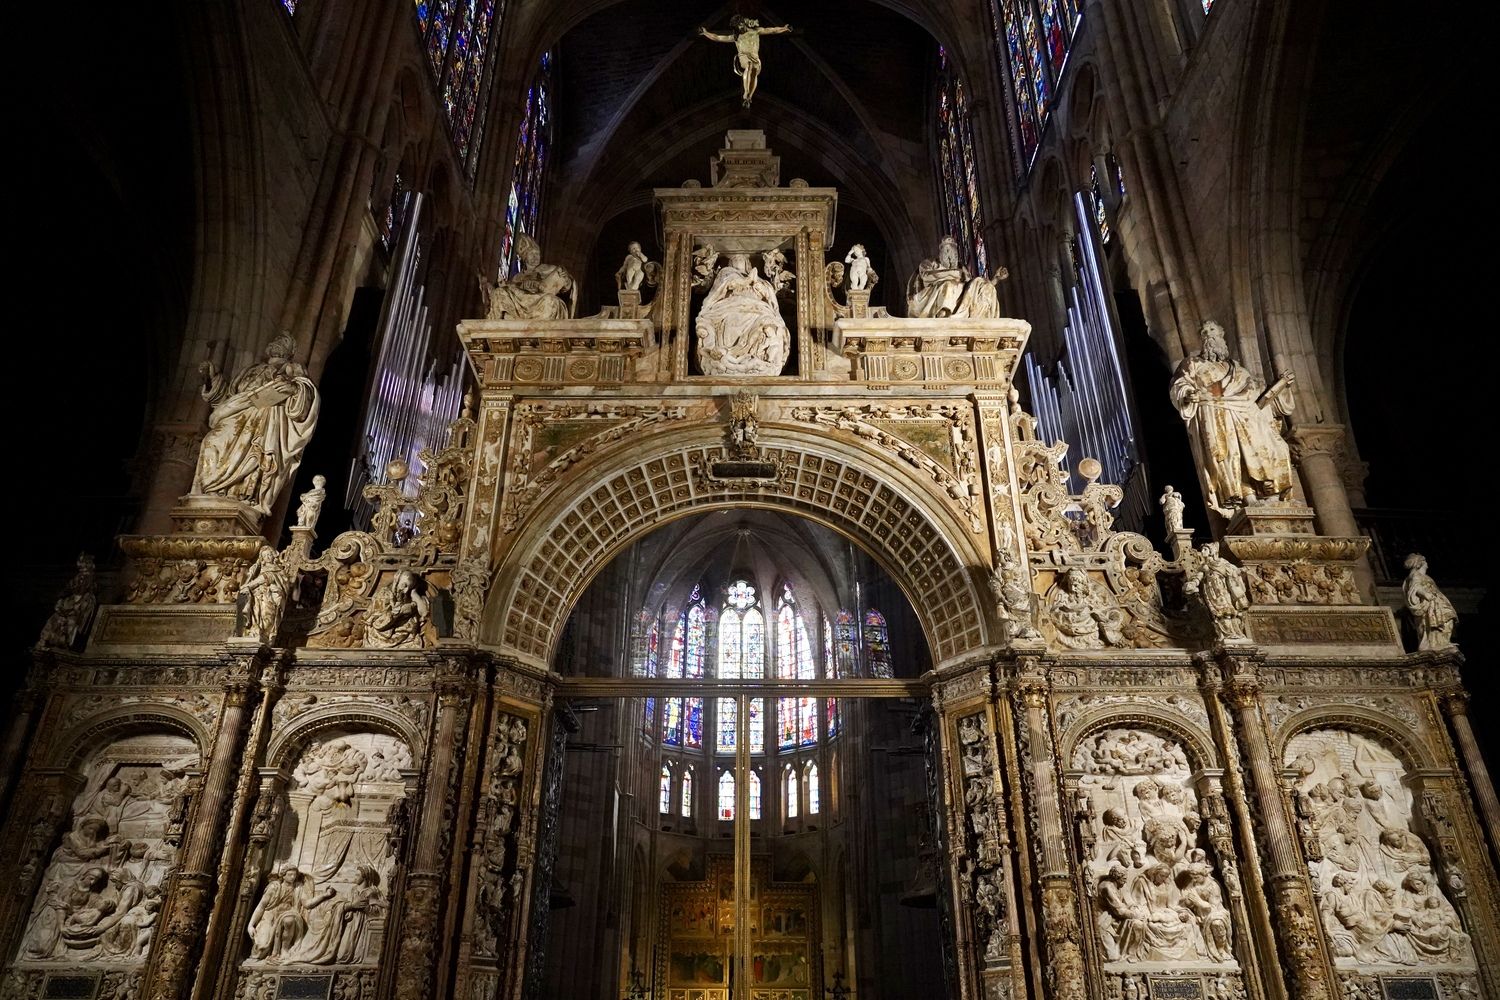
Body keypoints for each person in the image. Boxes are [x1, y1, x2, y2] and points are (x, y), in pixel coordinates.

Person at [1168, 321, 1296, 516]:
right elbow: (1180, 384)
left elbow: (1259, 397)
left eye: (1211, 330)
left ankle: (1270, 493)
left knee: (1273, 448)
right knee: (1230, 456)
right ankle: (1248, 498)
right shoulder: (1192, 363)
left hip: (1246, 414)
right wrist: (1187, 394)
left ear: (1221, 334)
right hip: (1215, 414)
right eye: (1204, 332)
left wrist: (1281, 387)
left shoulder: (1238, 369)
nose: (1207, 334)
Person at [192, 332, 321, 514]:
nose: (278, 344)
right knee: (210, 441)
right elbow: (228, 398)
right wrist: (212, 380)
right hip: (237, 413)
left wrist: (293, 389)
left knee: (255, 455)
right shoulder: (251, 369)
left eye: (284, 342)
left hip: (264, 418)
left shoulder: (292, 369)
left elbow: (306, 394)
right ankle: (210, 490)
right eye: (276, 341)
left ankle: (239, 494)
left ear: (291, 351)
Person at [694, 253, 791, 376]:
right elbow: (722, 287)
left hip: (758, 308)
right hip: (731, 306)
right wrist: (744, 282)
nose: (738, 260)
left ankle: (762, 357)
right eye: (735, 259)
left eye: (741, 259)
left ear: (747, 264)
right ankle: (728, 354)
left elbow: (769, 294)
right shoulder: (726, 273)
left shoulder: (759, 279)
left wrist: (758, 286)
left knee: (769, 321)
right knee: (732, 318)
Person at [698, 17, 792, 108]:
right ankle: (746, 91)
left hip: (755, 58)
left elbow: (772, 30)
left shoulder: (755, 31)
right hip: (744, 57)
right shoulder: (737, 37)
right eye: (737, 27)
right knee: (749, 65)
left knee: (754, 73)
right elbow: (718, 38)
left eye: (740, 25)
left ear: (743, 23)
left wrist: (784, 28)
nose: (740, 28)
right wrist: (705, 33)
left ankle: (749, 97)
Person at [479, 233, 577, 320]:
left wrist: (567, 280)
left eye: (537, 254)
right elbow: (512, 290)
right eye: (532, 254)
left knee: (551, 302)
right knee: (499, 292)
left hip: (540, 300)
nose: (535, 257)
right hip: (521, 302)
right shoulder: (517, 277)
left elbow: (566, 286)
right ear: (525, 257)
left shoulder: (549, 268)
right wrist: (503, 286)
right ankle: (492, 325)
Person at [905, 236, 1003, 318]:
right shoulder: (929, 263)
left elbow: (971, 287)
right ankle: (944, 312)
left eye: (953, 252)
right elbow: (927, 277)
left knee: (981, 283)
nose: (950, 255)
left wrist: (995, 280)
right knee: (948, 285)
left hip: (961, 297)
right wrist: (953, 274)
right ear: (941, 251)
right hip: (933, 293)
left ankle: (979, 320)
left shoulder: (961, 267)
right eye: (947, 250)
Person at [1402, 553, 1457, 650]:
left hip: (1438, 601)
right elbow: (1415, 587)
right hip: (1429, 603)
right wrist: (1425, 594)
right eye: (1425, 561)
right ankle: (1435, 644)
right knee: (1434, 622)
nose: (1427, 563)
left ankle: (1443, 642)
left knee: (1448, 618)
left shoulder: (1426, 576)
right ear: (1420, 563)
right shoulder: (1415, 575)